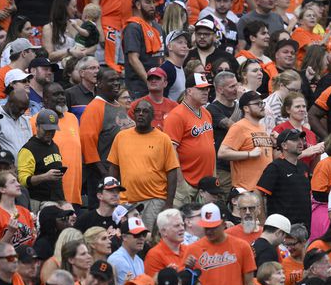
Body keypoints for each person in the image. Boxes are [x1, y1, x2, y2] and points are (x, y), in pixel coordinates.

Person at [107, 99, 178, 228]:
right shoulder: (121, 137)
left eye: (145, 111)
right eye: (137, 111)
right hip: (126, 201)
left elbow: (172, 172)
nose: (140, 114)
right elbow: (114, 168)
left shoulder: (163, 139)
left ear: (153, 116)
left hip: (154, 200)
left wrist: (169, 203)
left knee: (150, 240)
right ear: (133, 115)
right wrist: (113, 195)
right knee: (129, 238)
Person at [186, 203, 256, 285]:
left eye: (213, 227)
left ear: (223, 224)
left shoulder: (242, 246)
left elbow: (249, 282)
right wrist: (187, 269)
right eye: (206, 227)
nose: (209, 231)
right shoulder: (192, 250)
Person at [80, 68, 135, 206]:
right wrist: (106, 175)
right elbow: (88, 146)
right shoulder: (94, 108)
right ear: (98, 83)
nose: (116, 83)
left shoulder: (118, 105)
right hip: (104, 177)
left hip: (125, 173)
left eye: (118, 80)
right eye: (111, 80)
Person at [163, 73, 216, 207]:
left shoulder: (206, 113)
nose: (206, 92)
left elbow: (211, 148)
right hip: (186, 183)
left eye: (207, 89)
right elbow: (170, 152)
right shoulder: (176, 115)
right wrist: (181, 183)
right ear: (189, 91)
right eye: (201, 89)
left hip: (205, 184)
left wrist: (213, 178)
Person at [256, 129, 312, 228]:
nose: (300, 142)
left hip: (304, 227)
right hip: (281, 229)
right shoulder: (275, 167)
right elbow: (258, 192)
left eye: (301, 139)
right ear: (284, 145)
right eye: (295, 140)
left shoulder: (303, 166)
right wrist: (262, 221)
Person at [219, 91, 273, 191]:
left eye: (262, 103)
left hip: (263, 189)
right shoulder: (239, 127)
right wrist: (249, 154)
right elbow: (222, 153)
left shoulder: (262, 127)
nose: (262, 106)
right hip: (246, 190)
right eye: (257, 103)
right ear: (246, 108)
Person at [16, 109, 66, 205]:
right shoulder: (28, 149)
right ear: (37, 126)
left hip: (57, 199)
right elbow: (22, 181)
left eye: (52, 130)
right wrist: (45, 177)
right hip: (38, 201)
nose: (49, 133)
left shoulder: (54, 146)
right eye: (46, 130)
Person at [107, 216, 148, 285]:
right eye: (137, 235)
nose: (141, 238)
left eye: (144, 235)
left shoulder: (139, 260)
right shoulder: (117, 259)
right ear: (124, 237)